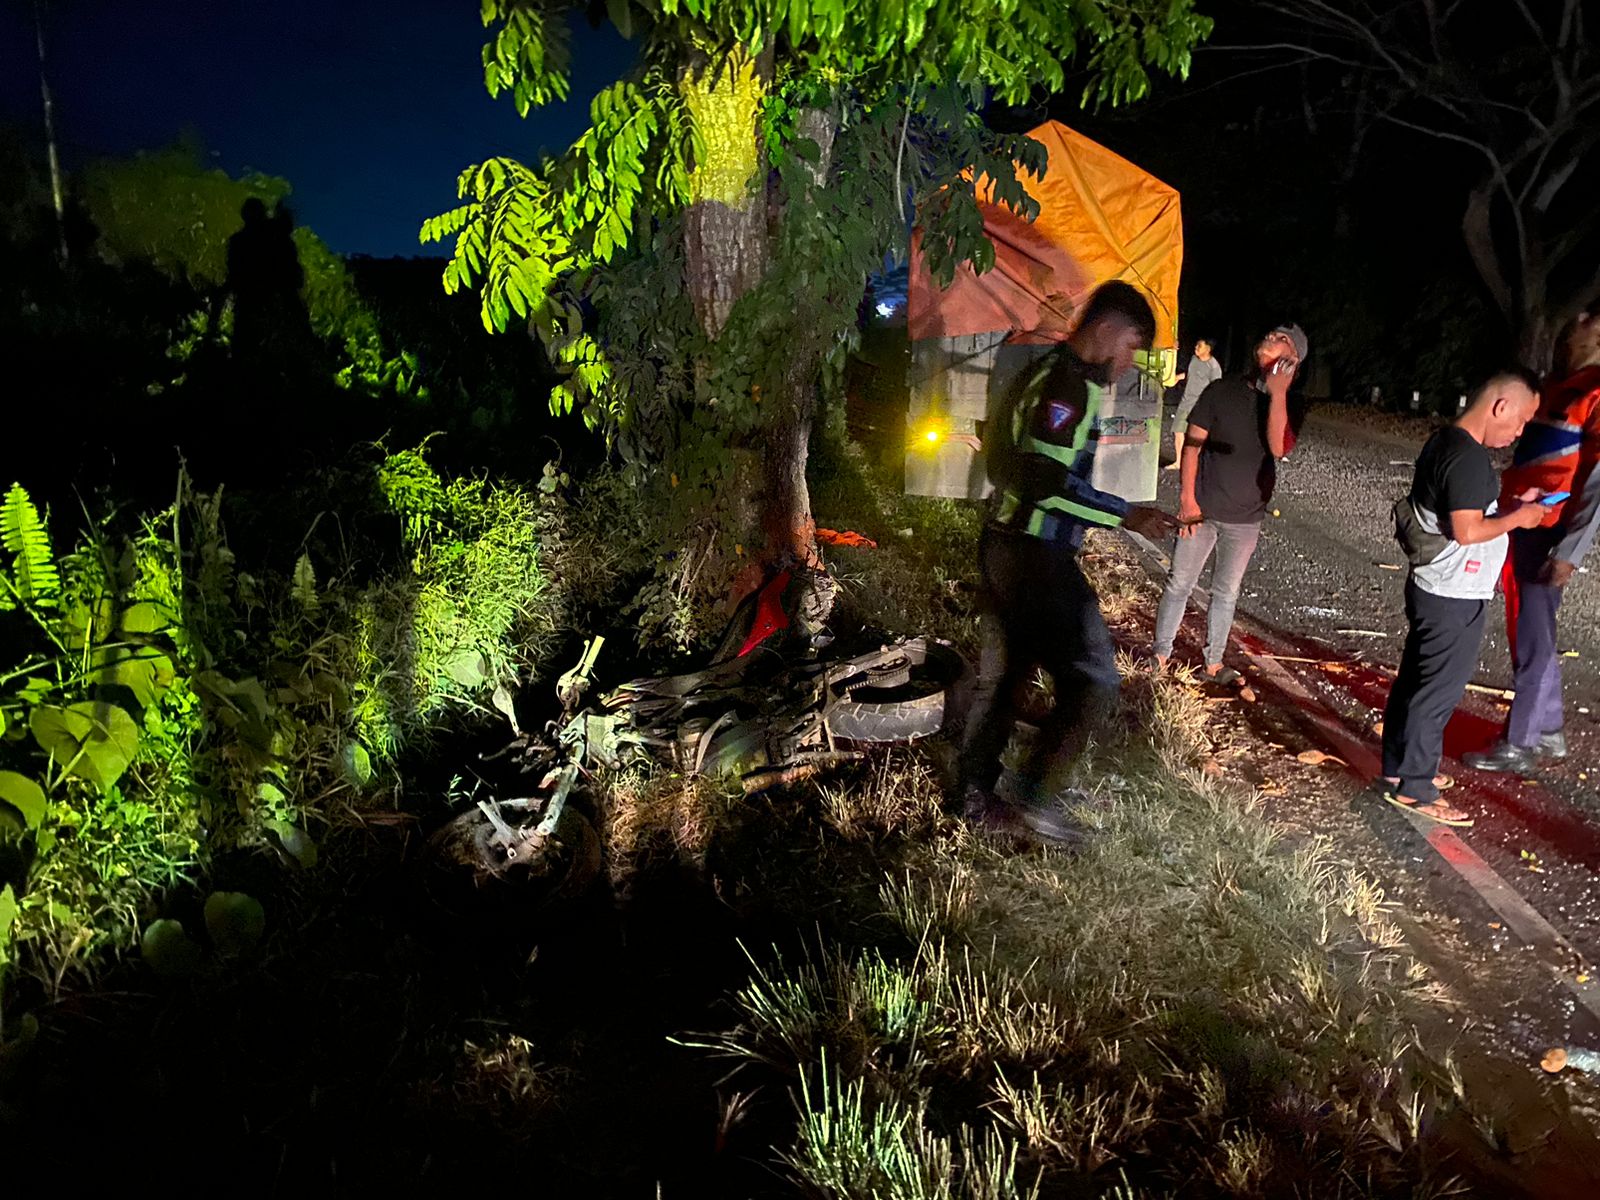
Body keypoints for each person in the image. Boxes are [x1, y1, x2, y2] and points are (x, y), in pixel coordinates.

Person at [959, 281, 1174, 842]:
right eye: (1130, 347)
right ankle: (1034, 799)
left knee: (1008, 677)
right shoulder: (1068, 387)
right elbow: (1043, 481)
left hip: (1008, 544)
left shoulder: (1050, 370)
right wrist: (1124, 514)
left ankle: (979, 794)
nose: (1128, 364)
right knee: (1094, 677)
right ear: (1106, 331)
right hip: (1034, 553)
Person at [1379, 369, 1545, 825]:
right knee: (1437, 691)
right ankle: (1415, 787)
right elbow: (1468, 529)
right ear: (1500, 406)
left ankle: (1399, 769)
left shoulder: (1446, 442)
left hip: (1435, 586)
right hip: (1453, 593)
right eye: (1522, 420)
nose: (1519, 432)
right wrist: (1521, 519)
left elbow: (1469, 508)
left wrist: (1511, 507)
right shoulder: (1468, 458)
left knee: (1415, 680)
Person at [1466, 303, 1600, 775]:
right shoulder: (1558, 387)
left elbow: (1598, 483)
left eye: (1583, 323)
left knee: (1534, 637)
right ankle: (1547, 728)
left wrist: (1571, 551)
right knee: (1531, 630)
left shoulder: (1596, 391)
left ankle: (1520, 741)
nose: (1572, 328)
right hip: (1524, 521)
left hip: (1550, 531)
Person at [1150, 325, 1307, 681]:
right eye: (1269, 333)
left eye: (1282, 339)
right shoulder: (1221, 390)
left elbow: (1278, 447)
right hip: (1202, 509)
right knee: (1179, 584)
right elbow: (1192, 446)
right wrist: (1187, 501)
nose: (1270, 335)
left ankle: (1214, 663)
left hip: (1246, 518)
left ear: (1294, 361)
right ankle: (1159, 656)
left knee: (1226, 593)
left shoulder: (1291, 404)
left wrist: (1279, 393)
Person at [1166, 337, 1223, 469]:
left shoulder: (1213, 367)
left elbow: (1216, 388)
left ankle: (1195, 463)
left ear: (1208, 349)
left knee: (1196, 436)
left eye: (1199, 346)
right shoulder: (1194, 359)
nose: (1196, 348)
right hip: (1186, 401)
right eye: (1196, 345)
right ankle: (1179, 462)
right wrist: (1177, 378)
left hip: (1199, 405)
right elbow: (1190, 374)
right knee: (1178, 431)